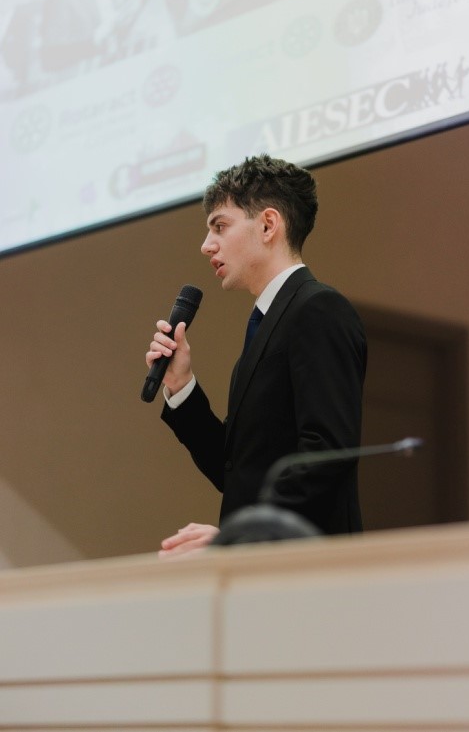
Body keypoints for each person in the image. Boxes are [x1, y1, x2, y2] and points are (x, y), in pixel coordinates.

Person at [146, 154, 367, 556]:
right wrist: (180, 385)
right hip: (266, 570)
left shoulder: (318, 309)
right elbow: (235, 469)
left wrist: (241, 535)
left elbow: (327, 453)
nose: (206, 245)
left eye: (220, 226)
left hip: (312, 568)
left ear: (268, 225)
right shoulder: (268, 322)